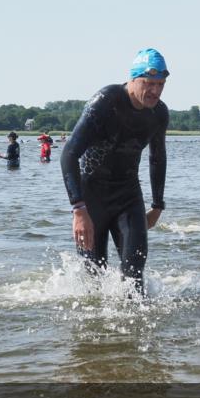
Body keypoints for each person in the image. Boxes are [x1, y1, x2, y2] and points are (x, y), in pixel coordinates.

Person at [60, 48, 169, 295]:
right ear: (132, 79)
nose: (155, 91)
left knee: (134, 277)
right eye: (149, 83)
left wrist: (158, 205)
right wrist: (78, 209)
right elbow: (68, 154)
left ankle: (136, 333)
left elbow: (157, 157)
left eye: (161, 84)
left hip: (128, 195)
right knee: (93, 280)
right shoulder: (106, 101)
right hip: (91, 198)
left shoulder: (159, 113)